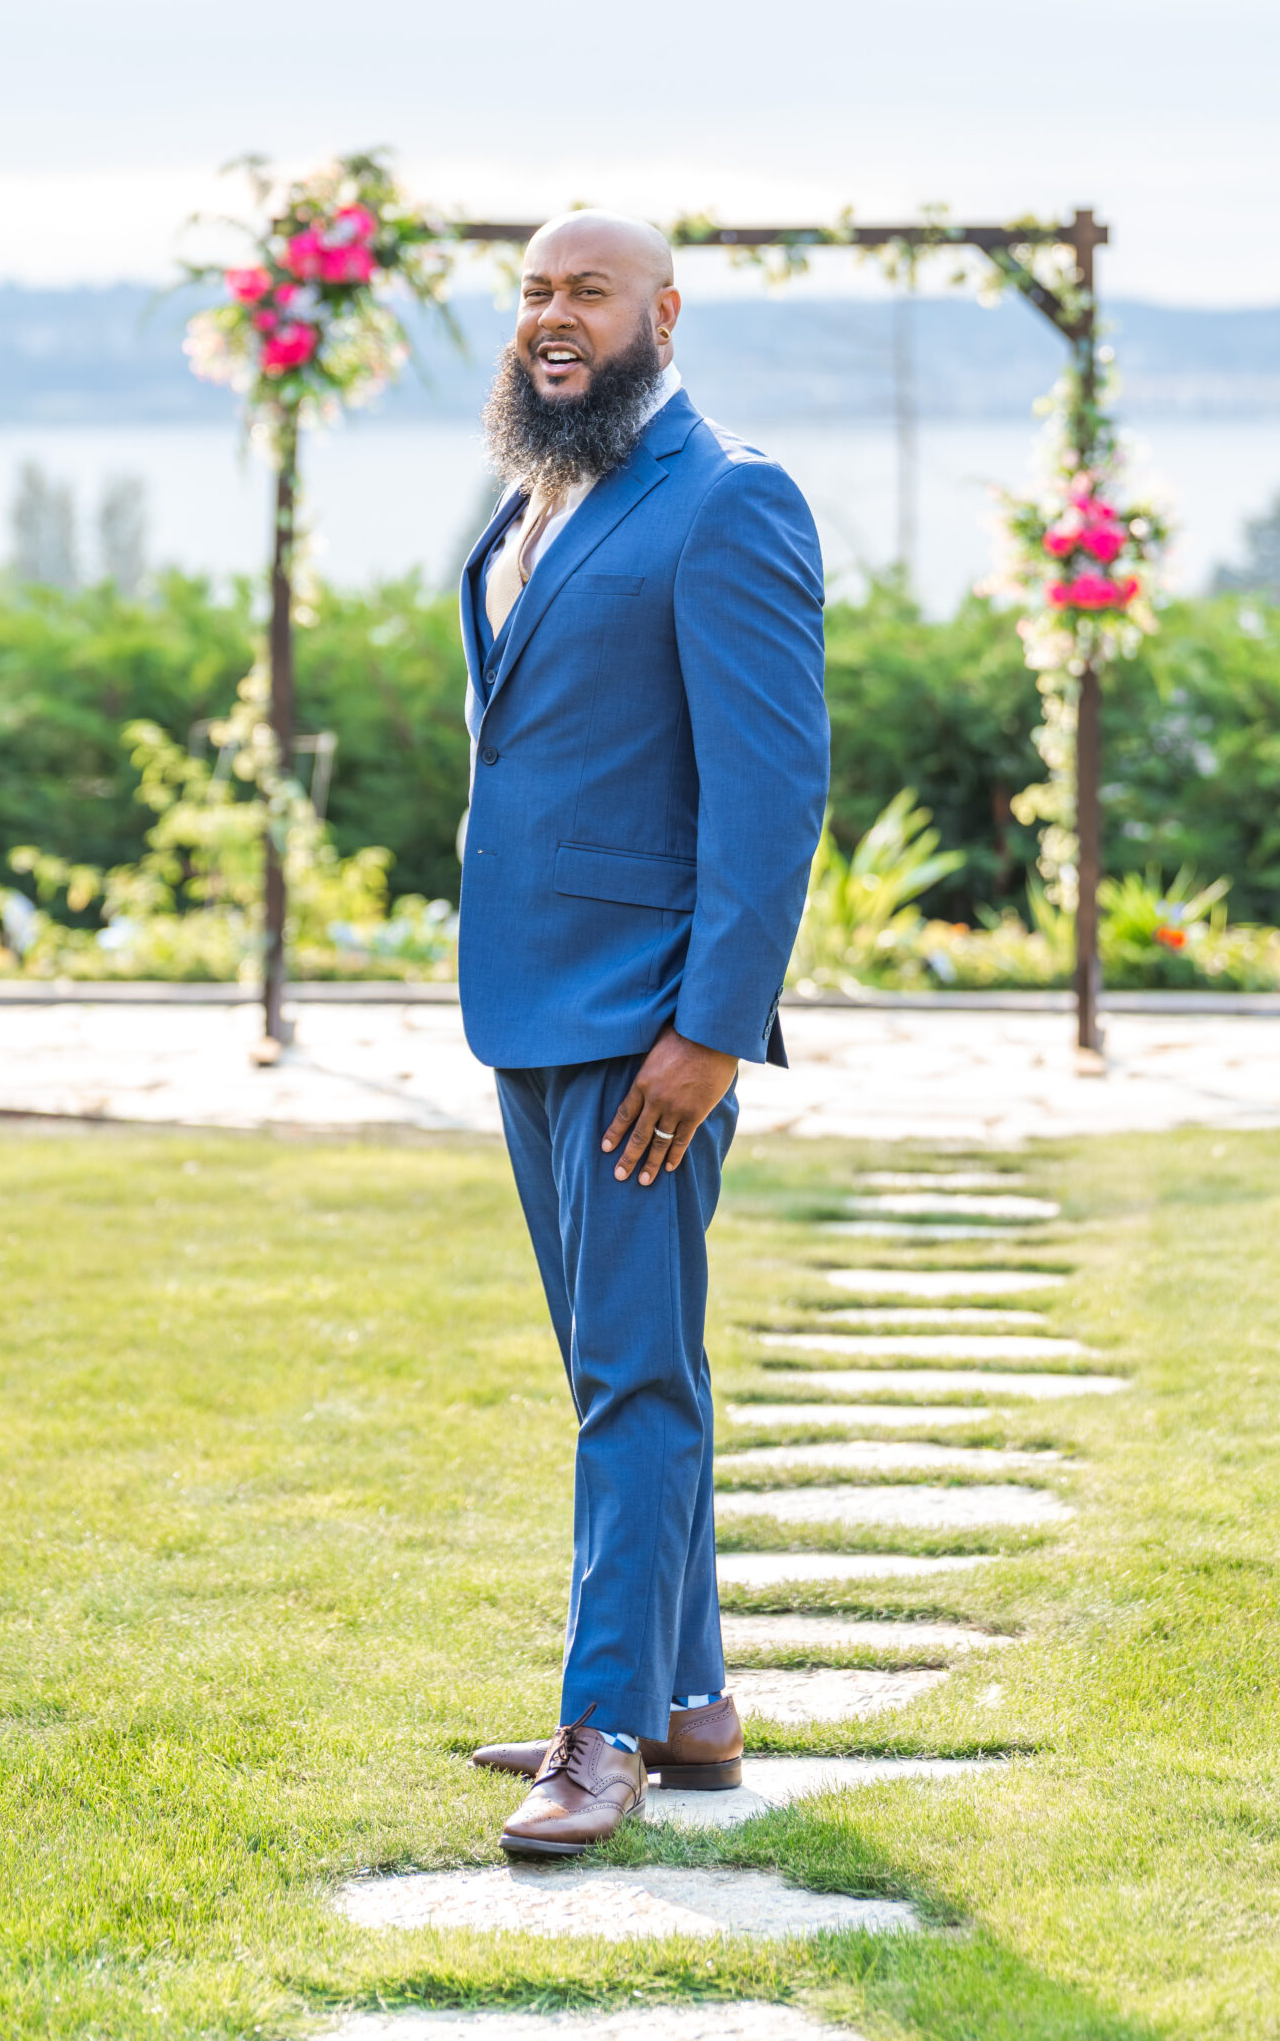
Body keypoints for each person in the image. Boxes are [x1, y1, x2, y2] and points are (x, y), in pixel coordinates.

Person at [455, 210, 829, 1857]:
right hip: (531, 1002)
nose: (555, 316)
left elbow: (772, 790)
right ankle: (690, 1707)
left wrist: (712, 1032)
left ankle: (599, 1731)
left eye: (588, 293)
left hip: (641, 1023)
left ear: (661, 314)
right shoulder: (538, 489)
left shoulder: (729, 497)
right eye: (536, 291)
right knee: (622, 1366)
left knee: (630, 1383)